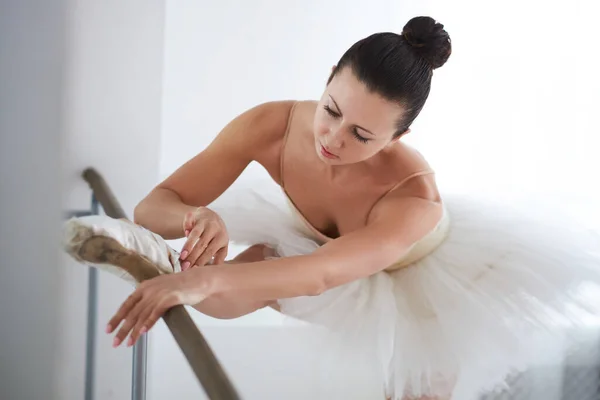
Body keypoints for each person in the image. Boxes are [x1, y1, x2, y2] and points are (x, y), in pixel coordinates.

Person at [103, 16, 600, 400]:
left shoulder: (414, 198)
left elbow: (320, 273)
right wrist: (194, 217)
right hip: (325, 248)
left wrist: (205, 276)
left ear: (398, 137)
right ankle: (160, 266)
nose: (333, 140)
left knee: (416, 391)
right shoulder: (268, 125)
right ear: (327, 81)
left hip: (424, 281)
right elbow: (153, 206)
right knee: (224, 290)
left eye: (362, 135)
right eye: (331, 111)